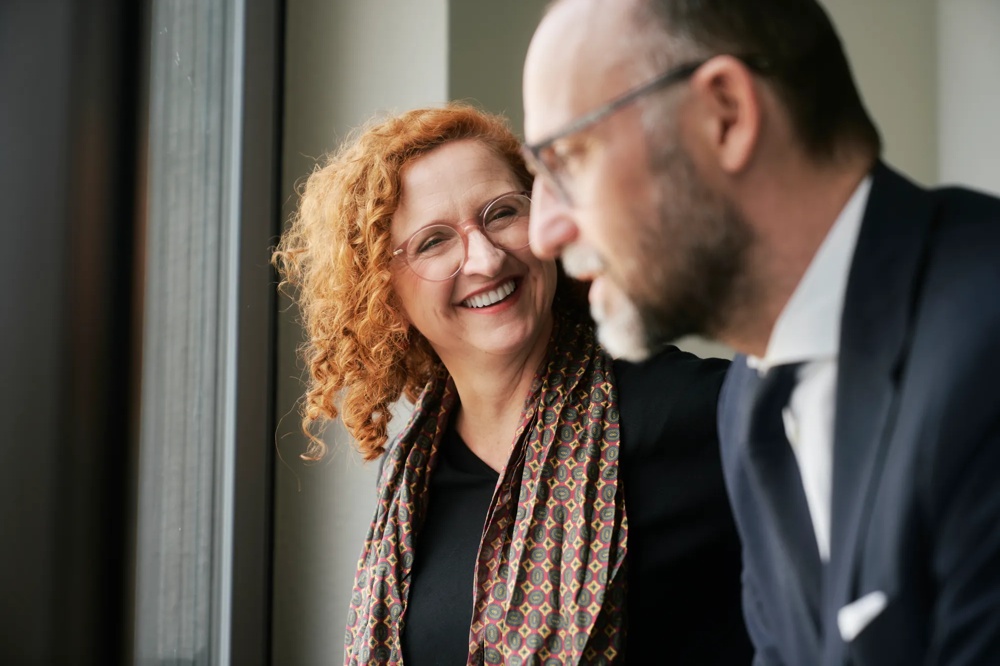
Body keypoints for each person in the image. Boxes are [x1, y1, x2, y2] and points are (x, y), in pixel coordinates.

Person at [522, 0, 1000, 664]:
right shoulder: (749, 399)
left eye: (566, 161)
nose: (542, 231)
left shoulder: (986, 345)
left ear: (725, 115)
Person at [272, 103, 751, 665]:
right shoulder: (412, 481)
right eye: (434, 242)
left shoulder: (699, 413)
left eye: (502, 213)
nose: (485, 257)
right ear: (384, 291)